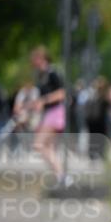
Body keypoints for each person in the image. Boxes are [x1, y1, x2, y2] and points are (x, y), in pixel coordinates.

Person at [29, 47, 68, 182]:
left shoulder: (52, 73)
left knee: (39, 144)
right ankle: (60, 176)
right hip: (49, 112)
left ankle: (61, 174)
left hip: (55, 112)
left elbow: (61, 93)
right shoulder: (40, 75)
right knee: (49, 147)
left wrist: (44, 101)